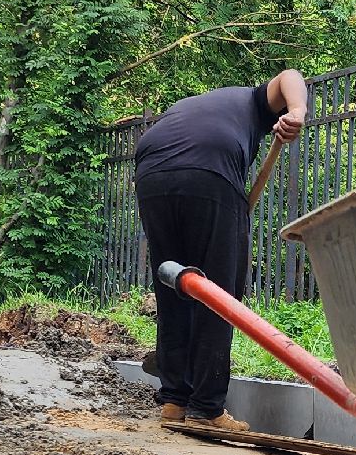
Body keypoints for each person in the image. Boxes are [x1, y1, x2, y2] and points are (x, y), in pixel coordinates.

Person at [132, 70, 308, 429]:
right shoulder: (254, 101)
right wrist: (298, 111)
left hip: (151, 170)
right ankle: (207, 408)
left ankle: (174, 401)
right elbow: (291, 75)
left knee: (175, 286)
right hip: (208, 164)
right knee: (219, 293)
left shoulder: (204, 105)